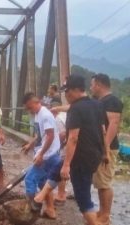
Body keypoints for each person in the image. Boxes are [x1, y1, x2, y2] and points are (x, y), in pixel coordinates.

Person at [59, 75, 107, 225]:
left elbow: (73, 138)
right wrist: (105, 153)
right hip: (95, 156)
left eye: (66, 91)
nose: (66, 95)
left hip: (80, 159)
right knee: (85, 190)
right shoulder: (97, 104)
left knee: (82, 197)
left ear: (74, 90)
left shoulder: (75, 108)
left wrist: (66, 164)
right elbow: (102, 130)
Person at [21, 93, 61, 219]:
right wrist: (30, 145)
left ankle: (30, 210)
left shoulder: (45, 115)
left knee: (30, 179)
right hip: (47, 154)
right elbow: (41, 135)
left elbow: (50, 136)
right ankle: (50, 210)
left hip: (48, 156)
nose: (29, 111)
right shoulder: (38, 114)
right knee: (43, 183)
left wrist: (41, 155)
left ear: (35, 102)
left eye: (29, 107)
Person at [90, 73, 123, 225]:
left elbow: (113, 125)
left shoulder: (111, 101)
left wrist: (106, 148)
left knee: (104, 182)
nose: (91, 88)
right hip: (100, 148)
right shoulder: (100, 101)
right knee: (100, 181)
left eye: (92, 85)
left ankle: (105, 216)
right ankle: (102, 211)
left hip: (107, 148)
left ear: (99, 84)